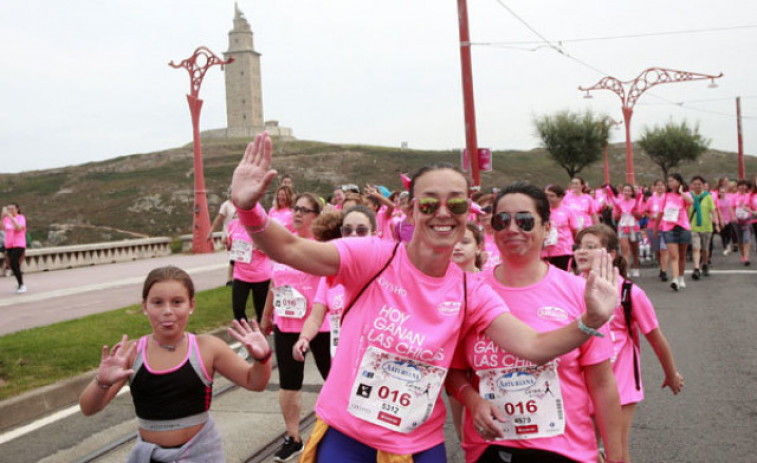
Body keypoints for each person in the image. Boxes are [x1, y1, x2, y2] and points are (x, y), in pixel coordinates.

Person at [229, 132, 619, 462]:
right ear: (413, 211)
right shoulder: (374, 256)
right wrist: (249, 210)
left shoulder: (471, 290)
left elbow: (533, 346)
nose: (443, 213)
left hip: (416, 445)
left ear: (468, 212)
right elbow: (293, 250)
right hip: (348, 433)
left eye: (457, 203)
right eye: (430, 203)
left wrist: (590, 321)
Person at [446, 182, 623, 463]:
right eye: (502, 221)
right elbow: (454, 373)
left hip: (564, 449)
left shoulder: (580, 293)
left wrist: (618, 458)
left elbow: (602, 385)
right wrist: (472, 400)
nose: (512, 229)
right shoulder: (469, 291)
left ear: (547, 228)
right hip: (491, 449)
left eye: (525, 221)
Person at [78, 266, 272, 463]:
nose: (167, 311)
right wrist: (101, 382)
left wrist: (262, 358)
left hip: (200, 454)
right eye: (158, 303)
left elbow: (254, 382)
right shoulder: (131, 352)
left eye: (177, 302)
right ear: (145, 306)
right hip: (150, 456)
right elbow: (88, 408)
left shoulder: (208, 348)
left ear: (191, 305)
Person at [574, 225, 683, 463]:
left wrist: (670, 373)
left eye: (590, 247)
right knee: (582, 453)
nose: (581, 252)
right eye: (578, 247)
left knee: (619, 456)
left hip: (620, 385)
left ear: (611, 254)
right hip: (580, 385)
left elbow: (655, 338)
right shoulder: (569, 288)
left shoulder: (629, 294)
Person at [259, 192, 332, 462]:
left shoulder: (323, 246)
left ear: (317, 216)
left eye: (305, 209)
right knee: (289, 383)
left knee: (332, 379)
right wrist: (266, 318)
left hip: (319, 325)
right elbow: (273, 285)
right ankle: (293, 437)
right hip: (286, 323)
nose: (298, 213)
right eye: (296, 208)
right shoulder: (284, 244)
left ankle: (341, 427)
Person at [294, 205, 377, 363]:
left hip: (375, 367)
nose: (353, 235)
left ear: (374, 234)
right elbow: (315, 318)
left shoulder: (385, 271)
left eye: (361, 231)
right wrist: (304, 338)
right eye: (347, 230)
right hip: (342, 362)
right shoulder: (331, 277)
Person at [226, 217, 272, 323]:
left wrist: (261, 246)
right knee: (238, 310)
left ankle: (262, 336)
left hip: (260, 275)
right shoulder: (233, 224)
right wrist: (228, 244)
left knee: (261, 313)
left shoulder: (261, 224)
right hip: (240, 274)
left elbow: (271, 248)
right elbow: (230, 247)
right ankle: (246, 335)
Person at [656, 174, 693, 290]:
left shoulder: (685, 194)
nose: (670, 183)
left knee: (682, 255)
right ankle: (675, 279)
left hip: (683, 227)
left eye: (672, 181)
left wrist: (681, 192)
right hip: (669, 228)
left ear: (678, 181)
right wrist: (656, 226)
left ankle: (681, 277)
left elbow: (691, 202)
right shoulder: (666, 196)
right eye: (669, 181)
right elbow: (661, 212)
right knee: (674, 256)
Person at [607, 184, 644, 278]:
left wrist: (636, 213)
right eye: (625, 190)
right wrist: (618, 214)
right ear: (622, 192)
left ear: (632, 192)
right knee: (625, 251)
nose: (626, 192)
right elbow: (615, 217)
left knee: (635, 250)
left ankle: (636, 268)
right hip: (623, 228)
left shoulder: (636, 202)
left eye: (629, 190)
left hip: (634, 228)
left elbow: (640, 216)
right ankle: (626, 271)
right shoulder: (618, 202)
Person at [688, 176, 719, 279]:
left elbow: (713, 210)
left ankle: (705, 264)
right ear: (692, 185)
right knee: (696, 248)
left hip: (706, 226)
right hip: (693, 226)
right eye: (695, 184)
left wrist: (717, 224)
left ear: (703, 185)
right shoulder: (689, 196)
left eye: (699, 184)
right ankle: (696, 269)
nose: (697, 186)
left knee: (705, 249)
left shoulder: (708, 196)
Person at [543, 184, 580, 272]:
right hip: (546, 251)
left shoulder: (568, 211)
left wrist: (575, 245)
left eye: (552, 196)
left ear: (560, 197)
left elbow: (576, 229)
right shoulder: (542, 211)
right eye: (546, 195)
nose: (548, 198)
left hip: (563, 250)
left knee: (563, 275)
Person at [207, 190, 238, 286]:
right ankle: (230, 279)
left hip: (241, 234)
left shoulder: (242, 204)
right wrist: (210, 232)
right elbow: (218, 219)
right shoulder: (226, 205)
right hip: (230, 235)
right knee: (234, 257)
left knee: (240, 257)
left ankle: (238, 278)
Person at [3, 203, 27, 294]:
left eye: (12, 209)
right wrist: (2, 217)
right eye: (8, 209)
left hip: (19, 244)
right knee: (14, 264)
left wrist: (12, 219)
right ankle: (20, 284)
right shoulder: (6, 219)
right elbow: (1, 227)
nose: (10, 211)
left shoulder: (21, 218)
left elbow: (19, 228)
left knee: (13, 262)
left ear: (17, 209)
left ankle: (22, 285)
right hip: (9, 244)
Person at [732, 179, 752, 266]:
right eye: (740, 185)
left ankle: (747, 257)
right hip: (737, 221)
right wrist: (733, 216)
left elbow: (752, 207)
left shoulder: (749, 196)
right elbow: (731, 208)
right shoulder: (734, 196)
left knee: (746, 238)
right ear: (737, 187)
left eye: (744, 185)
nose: (742, 187)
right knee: (740, 239)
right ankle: (743, 255)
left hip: (747, 220)